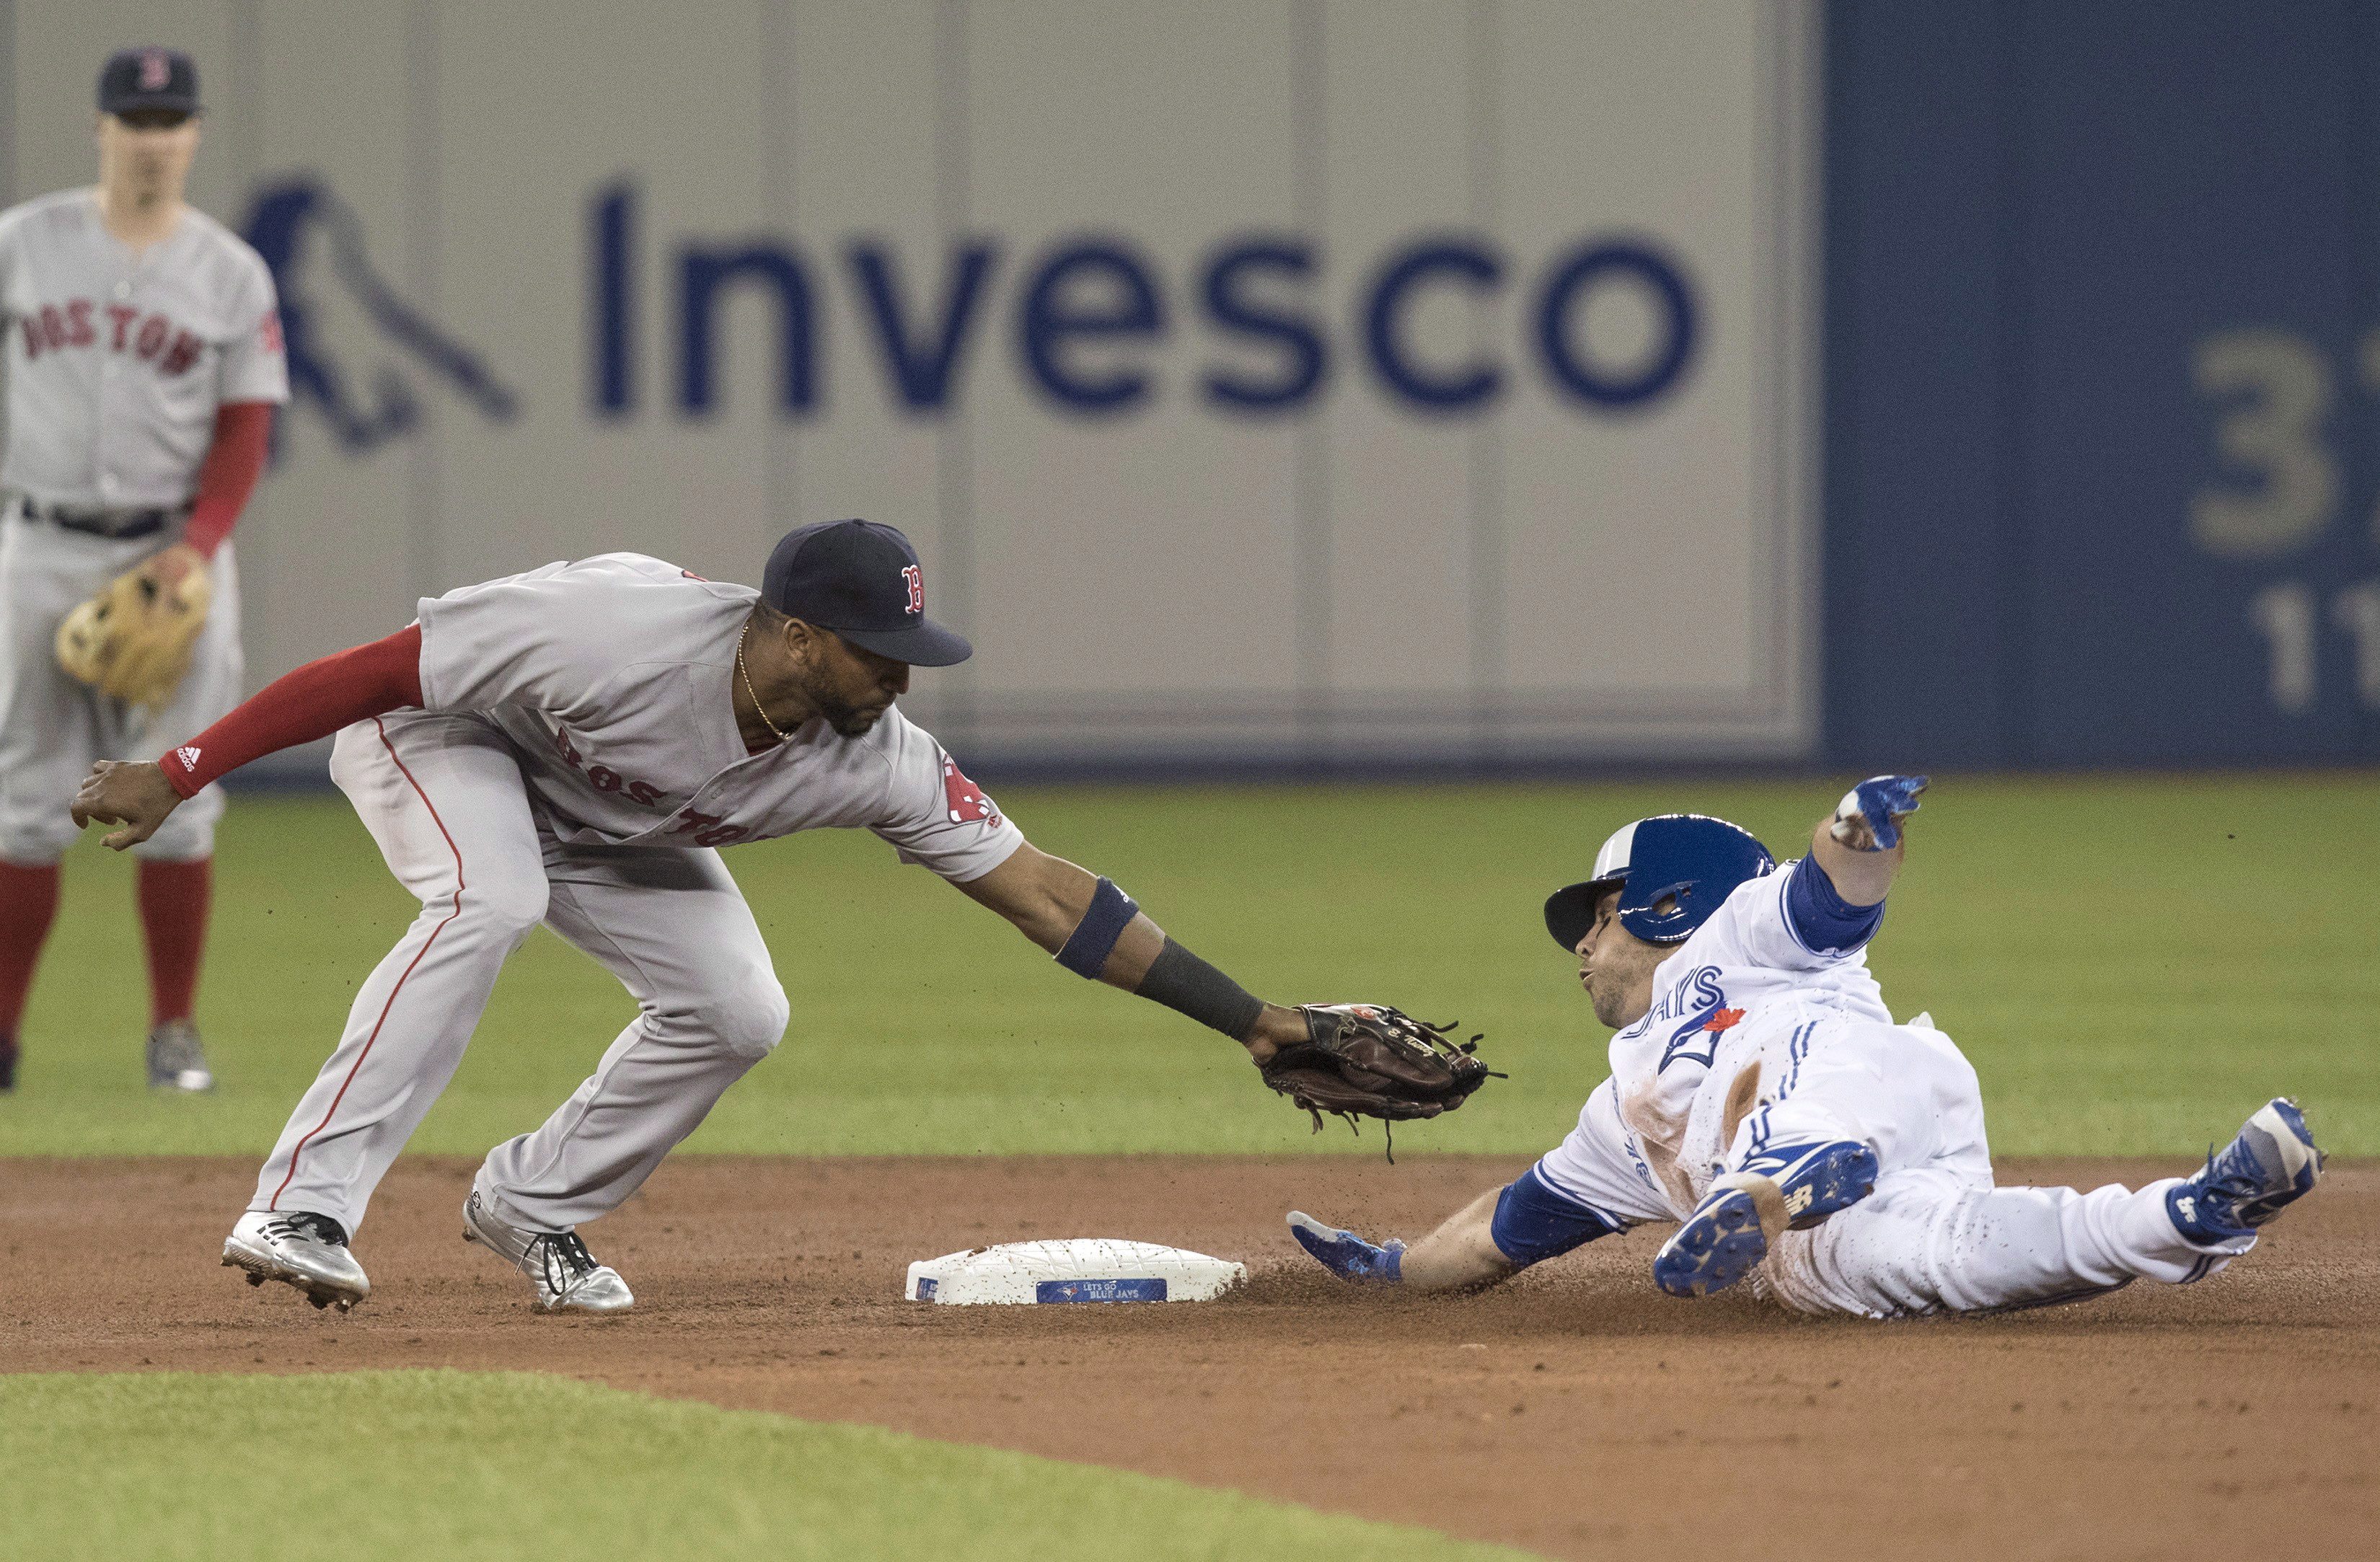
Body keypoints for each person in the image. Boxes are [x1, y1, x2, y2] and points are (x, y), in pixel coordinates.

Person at [74, 520, 1327, 1315]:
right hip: (442, 737)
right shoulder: (606, 634)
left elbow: (1050, 894)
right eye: (876, 649)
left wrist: (1256, 1022)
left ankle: (532, 1203)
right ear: (792, 635)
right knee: (490, 892)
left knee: (740, 1008)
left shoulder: (875, 753)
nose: (901, 676)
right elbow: (371, 673)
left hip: (601, 815)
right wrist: (181, 770)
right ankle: (302, 1202)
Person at [1284, 778, 2326, 1317]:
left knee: (1767, 1093)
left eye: (1597, 916)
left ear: (1665, 899)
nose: (1586, 947)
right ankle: (2194, 1211)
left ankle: (1784, 1172)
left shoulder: (1742, 931)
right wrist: (1391, 1266)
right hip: (1857, 1196)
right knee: (1916, 1265)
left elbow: (1834, 898)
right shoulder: (1619, 1112)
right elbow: (1500, 1230)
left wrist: (1856, 830)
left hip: (1867, 1084)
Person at [0, 46, 286, 1093]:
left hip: (171, 553)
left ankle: (174, 1031)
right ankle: (2, 1037)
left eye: (172, 122)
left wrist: (198, 545)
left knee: (180, 783)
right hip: (38, 542)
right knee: (20, 795)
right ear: (101, 129)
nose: (156, 140)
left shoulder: (228, 269)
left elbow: (246, 428)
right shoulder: (24, 245)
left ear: (194, 134)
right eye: (137, 120)